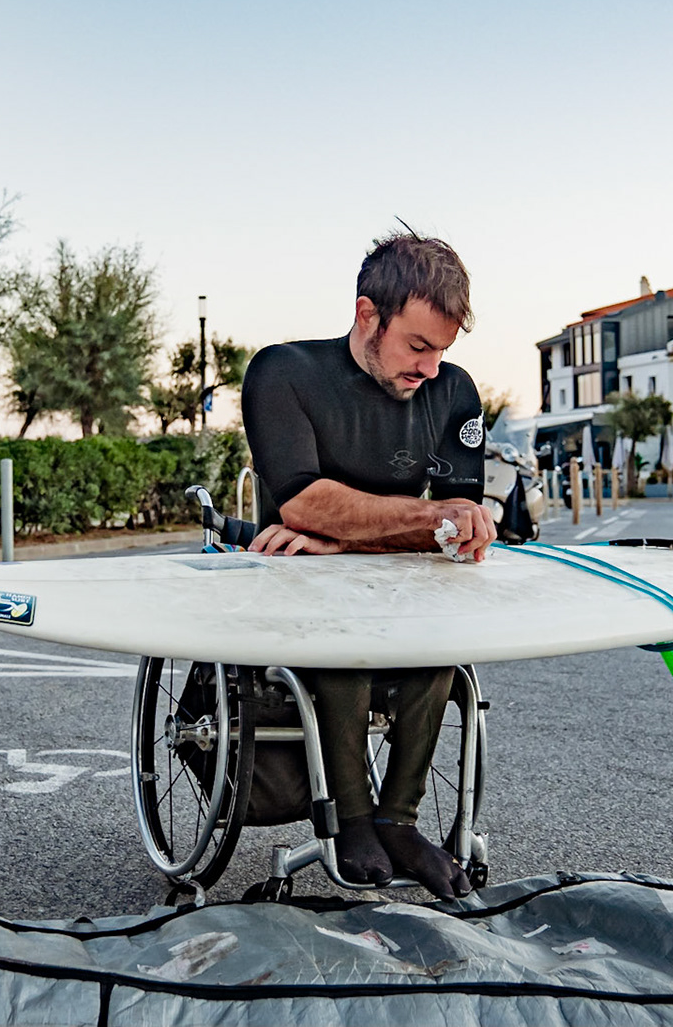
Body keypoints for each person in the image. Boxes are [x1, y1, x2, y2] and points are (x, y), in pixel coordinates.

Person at [240, 230, 496, 899]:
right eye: (417, 346)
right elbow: (302, 504)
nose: (432, 368)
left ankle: (398, 819)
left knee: (439, 641)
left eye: (442, 349)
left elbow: (459, 525)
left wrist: (347, 536)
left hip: (394, 588)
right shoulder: (282, 372)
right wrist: (417, 522)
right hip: (295, 588)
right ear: (366, 315)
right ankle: (351, 819)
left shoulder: (455, 392)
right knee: (342, 644)